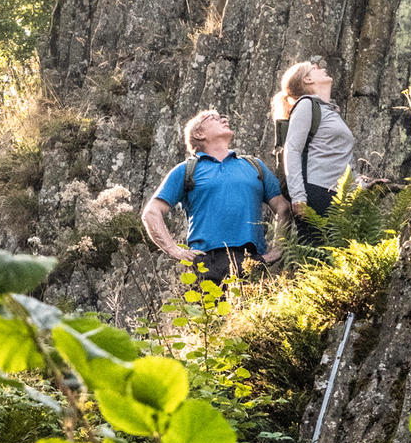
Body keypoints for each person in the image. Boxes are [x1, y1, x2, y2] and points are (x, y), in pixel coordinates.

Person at [142, 106, 290, 284]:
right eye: (214, 118)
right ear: (199, 134)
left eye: (223, 117)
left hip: (253, 259)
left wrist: (278, 248)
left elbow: (283, 207)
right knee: (212, 312)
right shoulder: (186, 170)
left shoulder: (254, 165)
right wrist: (175, 250)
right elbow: (151, 213)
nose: (224, 120)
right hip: (208, 262)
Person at [274, 57, 356, 241]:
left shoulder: (329, 111)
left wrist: (362, 183)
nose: (320, 67)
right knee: (317, 255)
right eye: (313, 68)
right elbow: (292, 150)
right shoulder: (306, 104)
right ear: (307, 80)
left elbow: (342, 159)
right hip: (316, 192)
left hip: (337, 194)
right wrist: (298, 197)